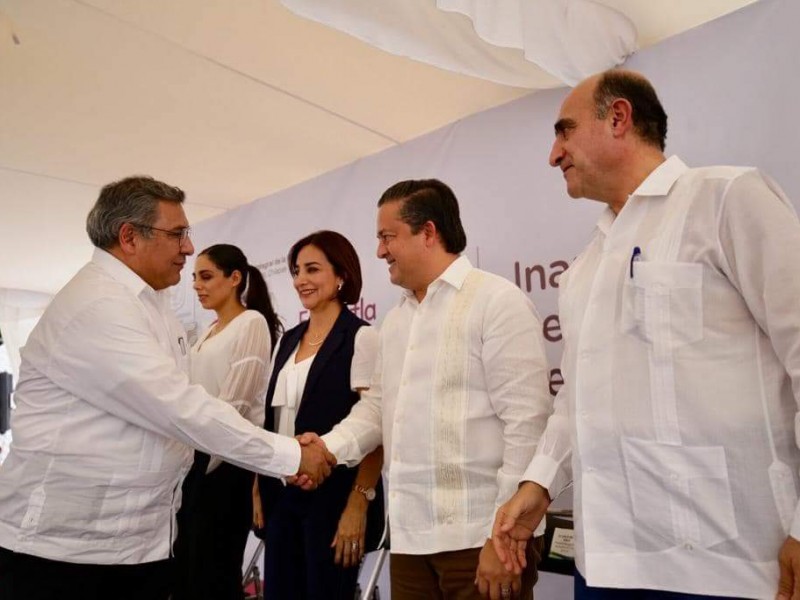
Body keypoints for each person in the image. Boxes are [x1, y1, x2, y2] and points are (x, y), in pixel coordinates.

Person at [491, 69, 800, 599]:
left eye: (564, 131)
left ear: (618, 118)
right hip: (606, 564)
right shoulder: (586, 266)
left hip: (732, 566)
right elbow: (577, 399)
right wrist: (538, 482)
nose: (553, 154)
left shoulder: (725, 198)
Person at [0, 176, 334, 600]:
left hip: (134, 545)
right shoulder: (100, 304)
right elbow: (180, 409)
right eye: (177, 234)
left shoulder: (154, 305)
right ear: (129, 237)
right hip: (64, 556)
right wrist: (291, 455)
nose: (188, 247)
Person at [299, 180, 552, 600]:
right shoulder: (397, 321)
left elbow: (527, 424)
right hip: (411, 540)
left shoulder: (496, 301)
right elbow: (377, 410)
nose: (380, 251)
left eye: (387, 237)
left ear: (429, 233)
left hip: (481, 540)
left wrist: (503, 537)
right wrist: (327, 447)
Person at [254, 230, 385, 600]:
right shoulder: (288, 339)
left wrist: (359, 502)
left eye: (312, 269)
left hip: (335, 499)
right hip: (281, 494)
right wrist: (258, 488)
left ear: (341, 275)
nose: (300, 280)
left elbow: (375, 426)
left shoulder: (362, 337)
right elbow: (273, 420)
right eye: (296, 271)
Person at [172, 244, 283, 600]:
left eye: (206, 276)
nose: (197, 286)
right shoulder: (207, 331)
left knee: (214, 570)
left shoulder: (251, 323)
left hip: (224, 462)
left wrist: (202, 453)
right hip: (195, 457)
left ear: (235, 279)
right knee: (188, 567)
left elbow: (233, 406)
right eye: (194, 278)